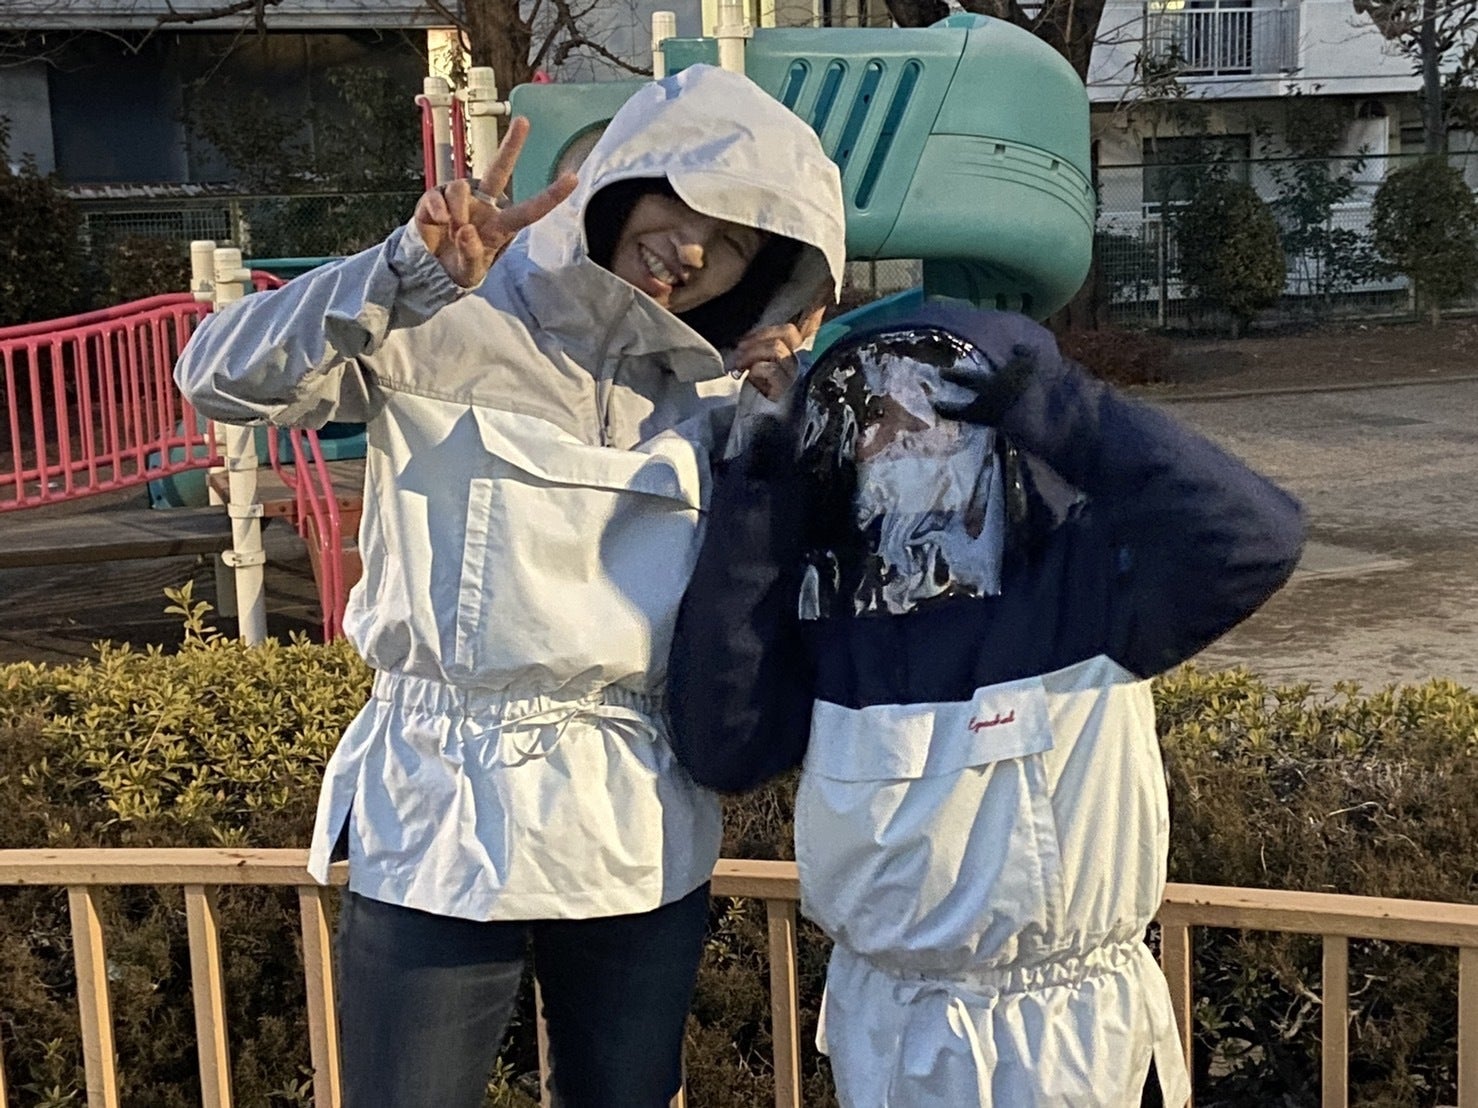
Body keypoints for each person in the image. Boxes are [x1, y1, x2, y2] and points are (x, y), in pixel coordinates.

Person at [175, 64, 846, 1108]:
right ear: (627, 176)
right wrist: (400, 272)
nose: (694, 252)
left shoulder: (721, 392)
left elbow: (776, 588)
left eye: (737, 248)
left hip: (634, 818)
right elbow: (216, 375)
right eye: (690, 206)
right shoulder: (446, 307)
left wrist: (780, 433)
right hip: (438, 804)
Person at [667, 303, 1306, 1106]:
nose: (897, 437)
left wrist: (1059, 405)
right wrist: (765, 480)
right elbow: (722, 743)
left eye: (932, 407)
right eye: (871, 417)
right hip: (891, 1035)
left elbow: (1256, 536)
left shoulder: (1088, 583)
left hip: (1069, 1043)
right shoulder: (828, 610)